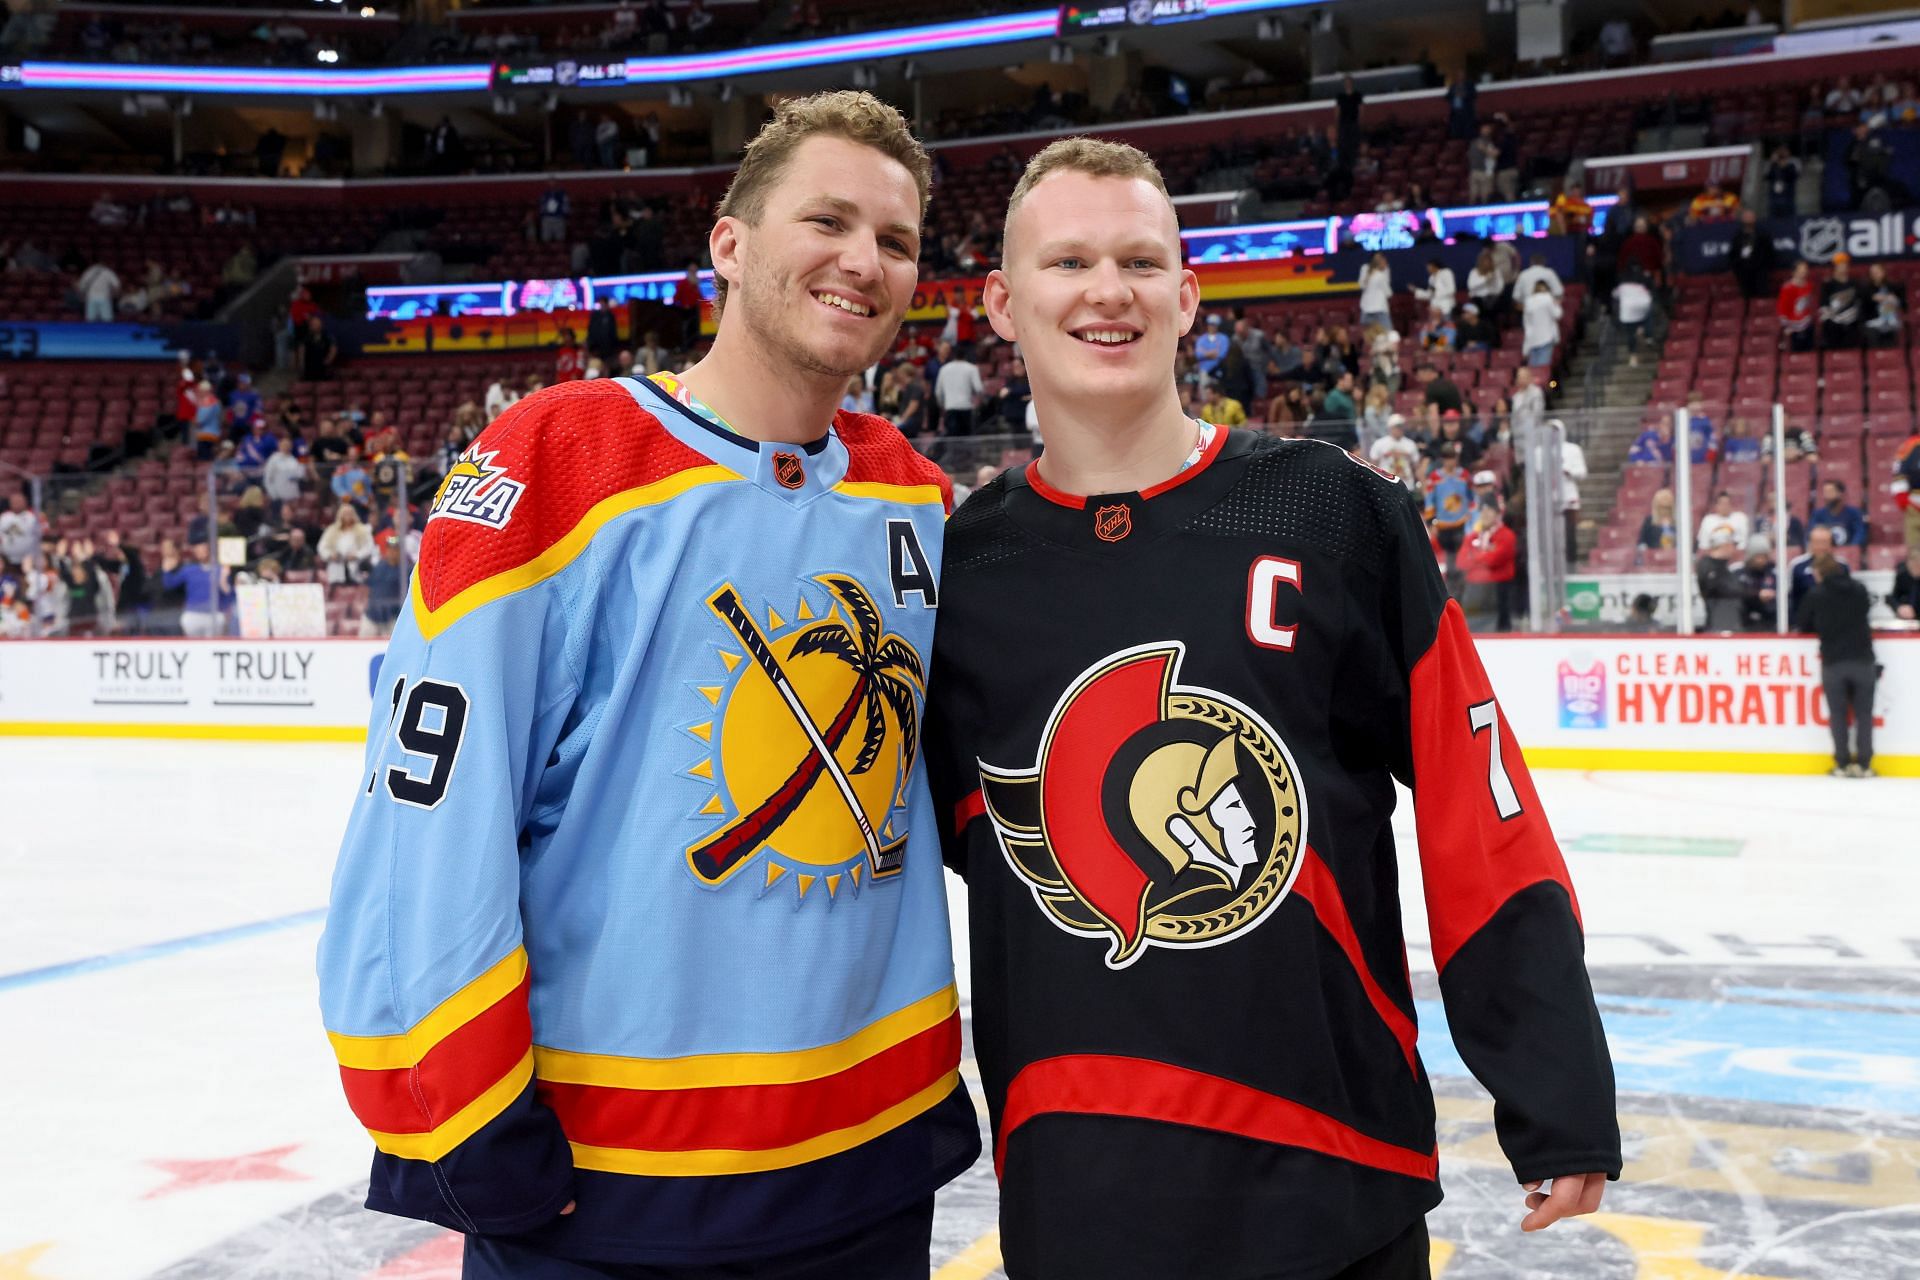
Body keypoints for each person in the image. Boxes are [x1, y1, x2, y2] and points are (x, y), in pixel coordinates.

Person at [929, 135, 1618, 1280]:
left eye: (1142, 262)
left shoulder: (1334, 512)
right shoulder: (963, 571)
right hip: (1078, 1197)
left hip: (1332, 1181)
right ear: (1001, 301)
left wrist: (1552, 1079)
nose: (1109, 291)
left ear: (1189, 295)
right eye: (1070, 262)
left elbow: (1478, 803)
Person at [317, 91, 978, 1279]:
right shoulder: (557, 459)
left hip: (869, 1165)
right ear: (729, 243)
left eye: (896, 240)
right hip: (611, 1183)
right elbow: (428, 818)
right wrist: (467, 1118)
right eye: (826, 220)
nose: (864, 261)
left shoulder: (916, 497)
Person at [1796, 554, 1878, 777]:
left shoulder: (1817, 594)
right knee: (1864, 714)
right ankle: (1864, 764)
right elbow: (1865, 611)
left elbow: (1802, 623)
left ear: (1820, 573)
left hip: (1834, 662)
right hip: (1863, 659)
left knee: (1838, 715)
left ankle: (1841, 763)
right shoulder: (1859, 589)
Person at [1458, 491, 1518, 631]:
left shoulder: (1506, 535)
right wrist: (1485, 555)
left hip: (1498, 593)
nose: (1485, 515)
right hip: (1474, 592)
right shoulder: (1472, 537)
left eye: (1489, 511)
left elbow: (1495, 560)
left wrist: (1475, 557)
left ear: (1497, 514)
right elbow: (1462, 562)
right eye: (1482, 511)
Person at [1820, 254, 1864, 349]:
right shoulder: (1828, 285)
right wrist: (1836, 318)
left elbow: (1859, 304)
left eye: (1845, 264)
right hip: (1833, 325)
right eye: (1840, 265)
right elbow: (1823, 307)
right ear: (1834, 267)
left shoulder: (1854, 283)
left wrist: (1850, 317)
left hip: (1852, 323)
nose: (1843, 267)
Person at [1777, 260, 1816, 352]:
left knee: (1809, 350)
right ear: (1794, 272)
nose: (1804, 272)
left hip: (1806, 323)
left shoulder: (1808, 285)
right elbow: (1782, 309)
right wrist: (1787, 327)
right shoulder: (1787, 288)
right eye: (1801, 269)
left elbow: (1808, 304)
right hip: (1792, 326)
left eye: (1805, 269)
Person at [1523, 279, 1562, 367]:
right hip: (1546, 338)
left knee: (1534, 371)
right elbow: (1557, 314)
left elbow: (1527, 326)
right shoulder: (1548, 298)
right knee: (1542, 370)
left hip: (1533, 340)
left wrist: (1525, 348)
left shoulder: (1529, 301)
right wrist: (1556, 304)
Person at [1357, 253, 1392, 331]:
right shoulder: (1366, 268)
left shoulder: (1385, 270)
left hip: (1374, 308)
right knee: (1375, 334)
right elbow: (1388, 293)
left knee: (1378, 333)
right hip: (1371, 308)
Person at [1638, 488, 1677, 553]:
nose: (1664, 511)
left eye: (1667, 508)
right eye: (1662, 507)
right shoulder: (1649, 521)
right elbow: (1641, 543)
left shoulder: (1679, 522)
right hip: (1654, 557)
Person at [1888, 544, 1920, 620]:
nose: (1916, 569)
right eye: (1913, 565)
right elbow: (1892, 597)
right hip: (1907, 621)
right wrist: (1899, 608)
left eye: (1918, 565)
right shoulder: (1903, 575)